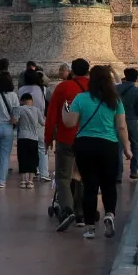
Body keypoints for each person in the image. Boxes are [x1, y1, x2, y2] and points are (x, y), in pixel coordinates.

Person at [62, 65, 130, 240]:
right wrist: (127, 148)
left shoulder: (81, 98)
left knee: (90, 186)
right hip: (108, 144)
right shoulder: (115, 100)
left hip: (85, 144)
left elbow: (70, 123)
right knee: (108, 184)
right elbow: (121, 126)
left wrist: (65, 110)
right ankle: (109, 214)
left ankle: (90, 227)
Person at [46, 59, 91, 231]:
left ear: (72, 70)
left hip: (66, 138)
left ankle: (66, 209)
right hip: (88, 138)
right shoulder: (95, 89)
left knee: (63, 178)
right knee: (82, 176)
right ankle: (80, 213)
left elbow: (52, 116)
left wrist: (48, 137)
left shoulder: (63, 87)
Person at [17, 69, 51, 181]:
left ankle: (31, 172)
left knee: (26, 151)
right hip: (39, 121)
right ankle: (44, 173)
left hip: (24, 123)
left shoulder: (21, 90)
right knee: (42, 148)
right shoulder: (43, 89)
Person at [116, 68, 138, 180]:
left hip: (118, 120)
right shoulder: (137, 91)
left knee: (118, 147)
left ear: (125, 76)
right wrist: (135, 116)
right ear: (136, 78)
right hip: (132, 120)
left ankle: (118, 174)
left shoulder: (116, 89)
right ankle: (133, 170)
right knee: (135, 146)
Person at [14, 92, 45, 189]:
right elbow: (42, 123)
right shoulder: (37, 110)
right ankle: (31, 181)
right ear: (31, 101)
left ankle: (23, 180)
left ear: (22, 101)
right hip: (34, 138)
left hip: (22, 137)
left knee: (23, 158)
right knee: (33, 159)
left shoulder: (20, 109)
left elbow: (14, 121)